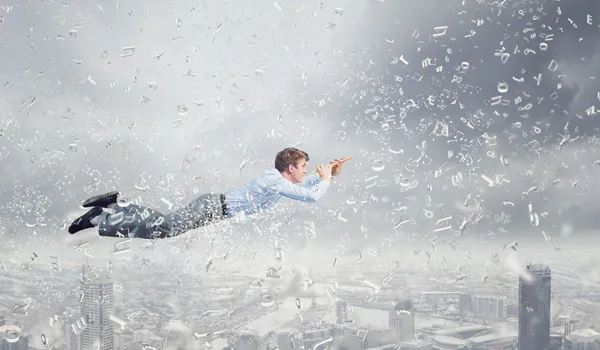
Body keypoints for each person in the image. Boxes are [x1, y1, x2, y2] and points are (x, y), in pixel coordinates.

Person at [68, 147, 347, 239]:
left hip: (214, 209)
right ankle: (99, 218)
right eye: (302, 167)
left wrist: (329, 175)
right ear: (289, 168)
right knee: (165, 228)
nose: (305, 171)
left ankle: (114, 207)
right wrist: (325, 180)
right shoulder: (273, 180)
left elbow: (309, 186)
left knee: (164, 225)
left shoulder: (281, 181)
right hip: (213, 208)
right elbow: (311, 196)